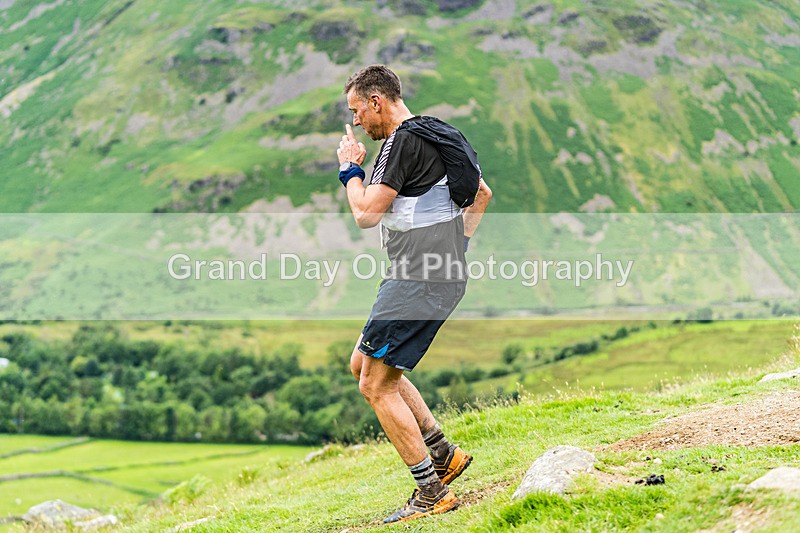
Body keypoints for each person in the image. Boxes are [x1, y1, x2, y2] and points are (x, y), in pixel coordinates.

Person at [336, 64, 492, 524]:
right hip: (435, 274)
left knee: (374, 384)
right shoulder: (441, 134)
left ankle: (431, 491)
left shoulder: (401, 143)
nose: (358, 121)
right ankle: (442, 453)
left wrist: (349, 169)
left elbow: (365, 214)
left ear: (376, 101)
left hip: (417, 278)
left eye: (357, 110)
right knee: (362, 364)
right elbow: (481, 194)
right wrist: (455, 247)